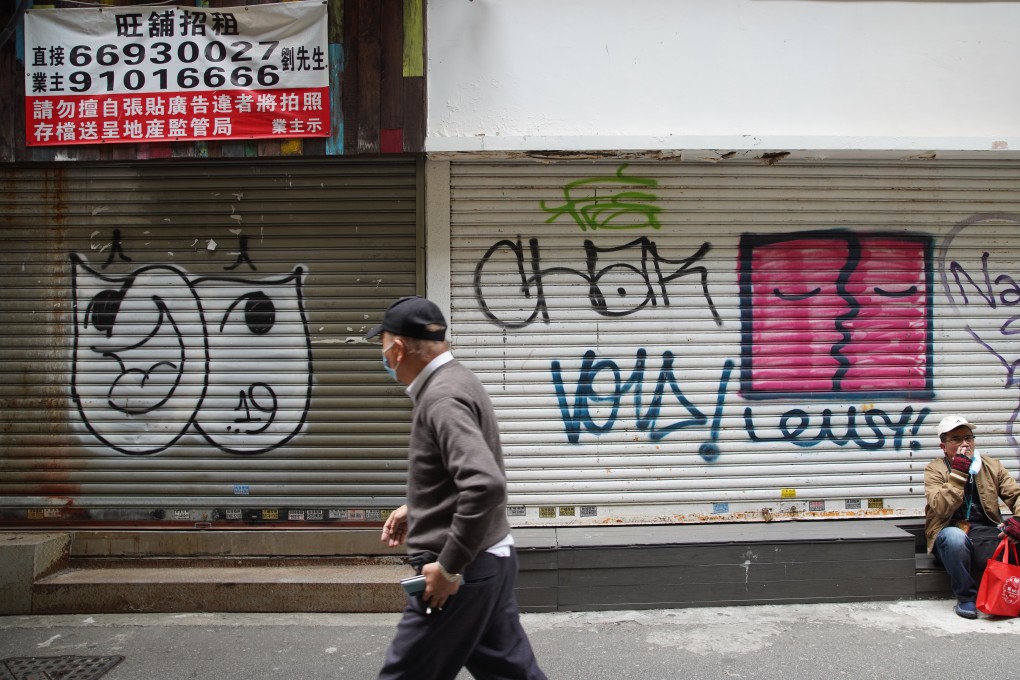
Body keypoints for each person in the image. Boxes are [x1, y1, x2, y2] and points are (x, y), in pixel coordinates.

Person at [366, 295, 547, 680]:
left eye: (382, 346)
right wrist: (417, 506)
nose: (382, 357)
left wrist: (448, 568)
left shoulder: (441, 397)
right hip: (490, 562)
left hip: (462, 573)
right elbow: (461, 476)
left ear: (398, 348)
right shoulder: (457, 379)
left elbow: (484, 484)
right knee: (511, 673)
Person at [924, 415, 1020, 619]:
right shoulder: (935, 469)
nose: (965, 443)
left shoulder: (991, 465)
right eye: (956, 439)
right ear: (944, 446)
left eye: (968, 437)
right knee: (955, 539)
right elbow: (940, 508)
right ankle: (967, 598)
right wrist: (959, 471)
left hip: (985, 533)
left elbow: (1016, 496)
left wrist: (1018, 521)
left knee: (1014, 536)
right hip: (949, 534)